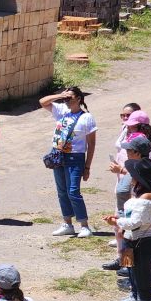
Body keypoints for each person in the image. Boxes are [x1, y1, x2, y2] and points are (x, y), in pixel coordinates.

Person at [104, 154, 151, 301]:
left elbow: (134, 222)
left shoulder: (147, 198)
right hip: (138, 243)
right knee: (137, 284)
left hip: (143, 245)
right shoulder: (143, 194)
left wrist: (117, 221)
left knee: (144, 288)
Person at [102, 109, 151, 270]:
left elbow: (146, 172)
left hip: (134, 200)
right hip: (129, 198)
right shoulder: (134, 141)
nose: (130, 127)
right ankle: (123, 261)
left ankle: (128, 267)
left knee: (127, 232)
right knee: (122, 231)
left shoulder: (147, 148)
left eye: (133, 125)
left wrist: (121, 170)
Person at [38, 87, 97, 238]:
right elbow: (42, 102)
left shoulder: (87, 118)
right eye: (65, 98)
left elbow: (91, 144)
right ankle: (67, 224)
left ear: (78, 98)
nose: (66, 100)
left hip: (75, 158)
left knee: (73, 192)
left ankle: (84, 225)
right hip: (58, 155)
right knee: (62, 191)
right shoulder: (62, 110)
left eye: (70, 97)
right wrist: (60, 95)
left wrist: (87, 166)